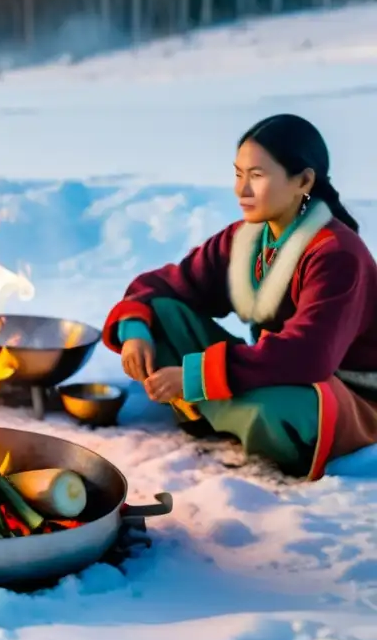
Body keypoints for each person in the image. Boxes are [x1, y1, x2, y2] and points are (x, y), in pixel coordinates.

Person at [101, 114, 377, 479]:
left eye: (257, 176)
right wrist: (136, 329)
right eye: (238, 174)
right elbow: (165, 285)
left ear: (304, 180)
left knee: (272, 411)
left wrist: (194, 377)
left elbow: (307, 355)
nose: (241, 190)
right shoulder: (244, 239)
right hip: (265, 370)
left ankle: (207, 407)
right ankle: (224, 411)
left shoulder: (338, 254)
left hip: (338, 394)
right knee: (161, 313)